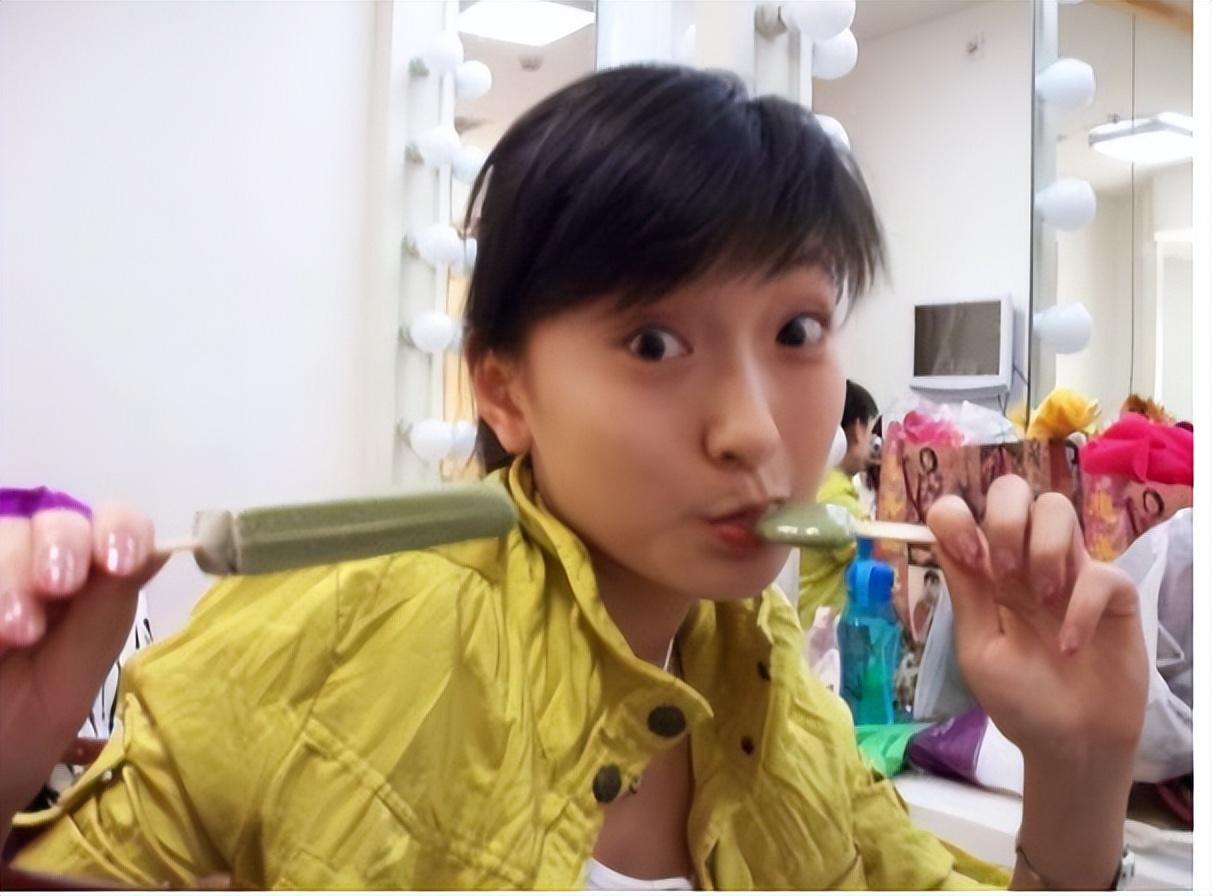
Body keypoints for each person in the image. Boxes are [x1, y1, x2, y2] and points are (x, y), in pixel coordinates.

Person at [0, 65, 1146, 890]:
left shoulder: (775, 698)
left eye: (797, 330)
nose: (754, 429)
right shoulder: (329, 632)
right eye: (654, 341)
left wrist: (1080, 772)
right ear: (503, 389)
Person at [796, 379, 878, 625]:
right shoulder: (834, 496)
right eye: (871, 433)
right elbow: (877, 549)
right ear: (858, 429)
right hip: (818, 631)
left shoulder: (816, 481)